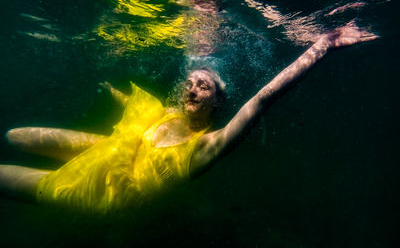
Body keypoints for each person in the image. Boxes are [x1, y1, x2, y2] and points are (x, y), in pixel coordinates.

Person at [0, 23, 377, 213]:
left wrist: (322, 45)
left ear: (217, 103)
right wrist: (117, 95)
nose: (192, 89)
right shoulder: (167, 111)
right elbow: (139, 112)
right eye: (190, 83)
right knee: (16, 136)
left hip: (105, 191)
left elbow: (262, 100)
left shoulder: (206, 147)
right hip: (109, 150)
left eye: (204, 87)